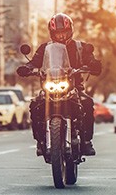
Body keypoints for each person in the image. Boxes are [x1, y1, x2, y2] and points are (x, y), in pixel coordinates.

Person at [16, 13, 102, 156]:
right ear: (52, 33)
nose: (61, 36)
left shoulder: (81, 47)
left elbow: (90, 59)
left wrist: (93, 64)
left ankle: (86, 142)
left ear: (70, 31)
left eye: (64, 33)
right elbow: (35, 62)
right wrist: (27, 68)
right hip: (50, 86)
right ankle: (40, 141)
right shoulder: (45, 48)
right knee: (35, 105)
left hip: (73, 87)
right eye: (58, 33)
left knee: (87, 103)